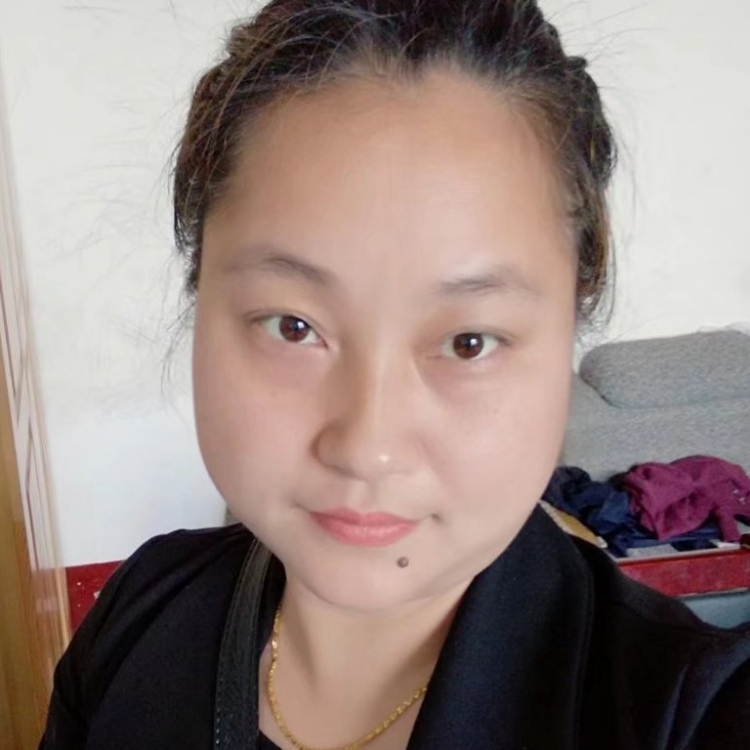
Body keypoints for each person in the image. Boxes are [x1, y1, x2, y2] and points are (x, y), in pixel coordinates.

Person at [40, 1, 750, 748]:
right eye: (293, 326)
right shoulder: (139, 616)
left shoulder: (688, 712)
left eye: (469, 342)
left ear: (571, 329)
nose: (368, 448)